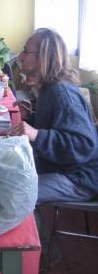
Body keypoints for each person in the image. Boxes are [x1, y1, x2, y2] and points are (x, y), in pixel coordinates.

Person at [12, 28, 98, 204]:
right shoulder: (48, 87)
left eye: (26, 51)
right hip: (59, 164)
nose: (21, 57)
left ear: (43, 58)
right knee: (6, 172)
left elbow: (84, 145)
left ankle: (38, 230)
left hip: (79, 177)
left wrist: (36, 134)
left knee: (14, 193)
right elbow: (57, 125)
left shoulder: (62, 94)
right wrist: (32, 117)